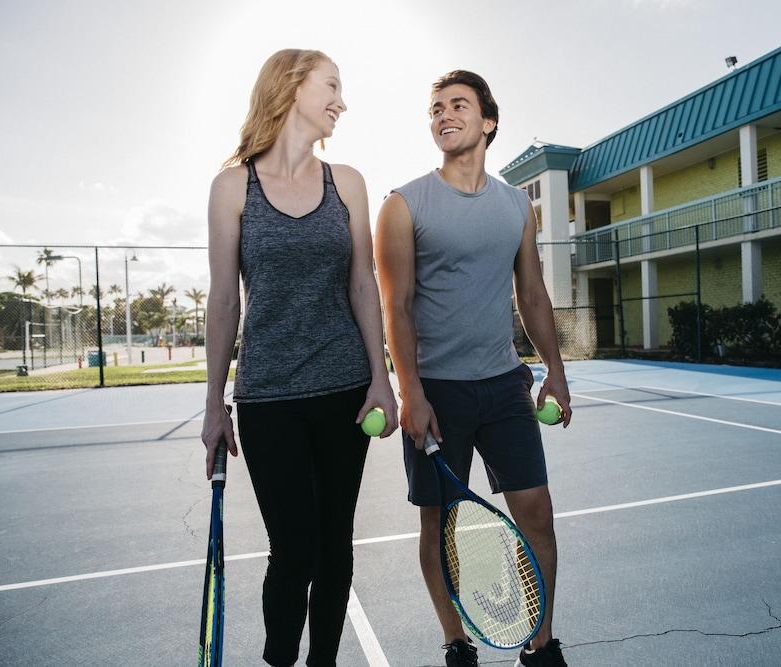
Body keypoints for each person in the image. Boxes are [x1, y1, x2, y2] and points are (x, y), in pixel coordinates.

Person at [201, 48, 397, 667]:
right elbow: (223, 302)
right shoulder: (233, 186)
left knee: (335, 547)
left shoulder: (349, 182)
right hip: (267, 400)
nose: (342, 100)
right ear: (291, 87)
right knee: (293, 550)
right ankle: (280, 659)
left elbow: (363, 285)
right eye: (332, 86)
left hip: (345, 393)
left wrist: (381, 380)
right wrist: (214, 406)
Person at [375, 70, 572, 667]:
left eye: (457, 105)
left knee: (536, 510)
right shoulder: (403, 205)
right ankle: (456, 642)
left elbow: (532, 295)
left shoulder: (516, 205)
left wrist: (555, 373)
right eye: (435, 108)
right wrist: (410, 392)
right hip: (437, 392)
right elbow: (397, 307)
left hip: (505, 385)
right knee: (440, 524)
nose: (443, 115)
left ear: (488, 121)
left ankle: (540, 646)